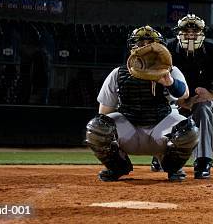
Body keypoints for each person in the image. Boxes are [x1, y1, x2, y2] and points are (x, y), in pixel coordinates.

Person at [85, 25, 199, 182]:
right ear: (132, 46)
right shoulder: (118, 73)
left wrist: (169, 82)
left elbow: (184, 95)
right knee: (97, 127)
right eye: (140, 42)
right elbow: (104, 113)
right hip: (130, 130)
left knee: (188, 130)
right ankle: (118, 167)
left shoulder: (169, 70)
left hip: (160, 128)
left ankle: (172, 167)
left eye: (150, 42)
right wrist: (107, 138)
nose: (145, 46)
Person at [150, 13, 213, 179]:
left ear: (202, 32)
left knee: (204, 111)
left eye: (195, 31)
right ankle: (162, 154)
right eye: (186, 30)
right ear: (178, 32)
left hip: (201, 96)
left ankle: (203, 161)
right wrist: (177, 97)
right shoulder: (165, 49)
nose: (190, 34)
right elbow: (152, 77)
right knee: (160, 110)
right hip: (171, 95)